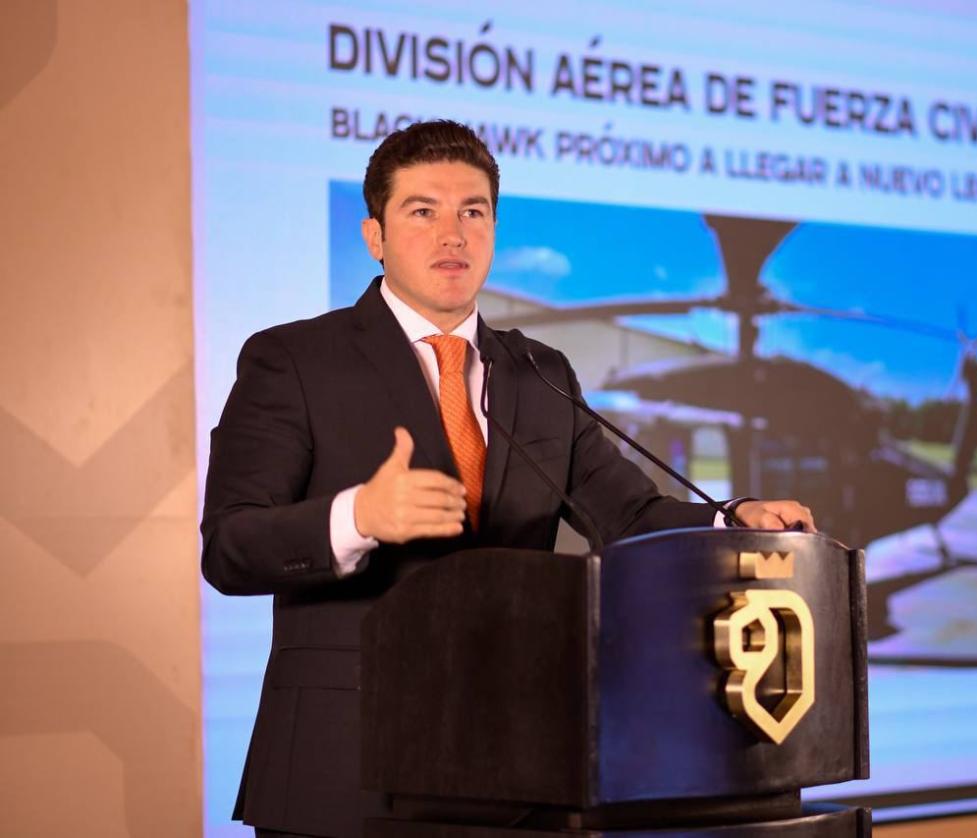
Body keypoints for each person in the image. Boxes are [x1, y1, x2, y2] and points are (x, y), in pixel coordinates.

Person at [201, 119, 815, 838]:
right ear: (375, 237)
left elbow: (627, 514)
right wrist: (359, 517)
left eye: (473, 212)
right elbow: (230, 546)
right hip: (345, 766)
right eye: (422, 211)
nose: (452, 235)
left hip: (514, 764)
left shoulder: (538, 372)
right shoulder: (293, 360)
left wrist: (731, 518)